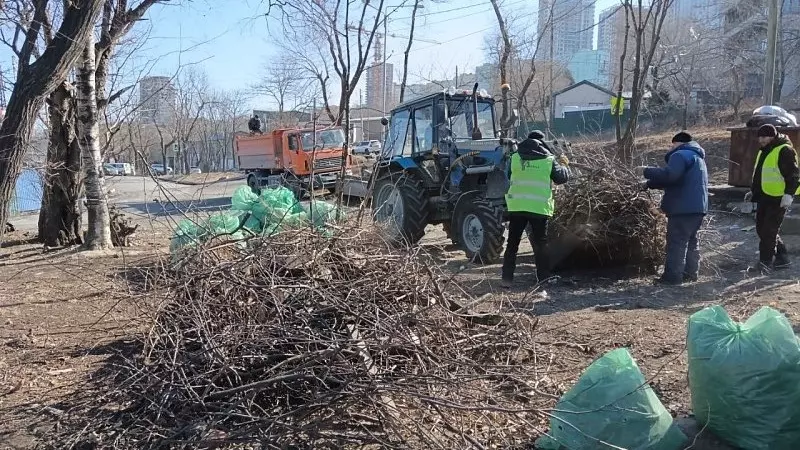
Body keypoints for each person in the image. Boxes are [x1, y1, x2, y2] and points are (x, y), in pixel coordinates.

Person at [502, 132, 570, 288]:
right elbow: (561, 179)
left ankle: (506, 279)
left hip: (517, 206)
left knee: (512, 244)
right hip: (538, 208)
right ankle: (543, 279)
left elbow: (509, 176)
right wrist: (565, 164)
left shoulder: (514, 157)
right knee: (541, 245)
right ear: (542, 143)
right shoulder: (548, 160)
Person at [641, 131, 709, 285]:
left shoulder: (680, 155)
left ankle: (672, 278)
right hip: (698, 208)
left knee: (676, 243)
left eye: (672, 145)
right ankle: (690, 274)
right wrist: (649, 184)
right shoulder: (697, 157)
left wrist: (646, 171)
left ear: (677, 143)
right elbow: (676, 179)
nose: (670, 148)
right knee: (691, 241)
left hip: (682, 208)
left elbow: (670, 175)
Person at [744, 124, 800, 273]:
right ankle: (782, 259)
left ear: (773, 136)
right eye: (759, 137)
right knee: (762, 229)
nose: (761, 140)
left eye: (764, 137)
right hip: (764, 196)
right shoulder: (765, 150)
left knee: (768, 231)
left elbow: (794, 175)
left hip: (778, 198)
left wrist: (789, 194)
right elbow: (760, 174)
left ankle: (765, 264)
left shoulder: (784, 150)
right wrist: (753, 191)